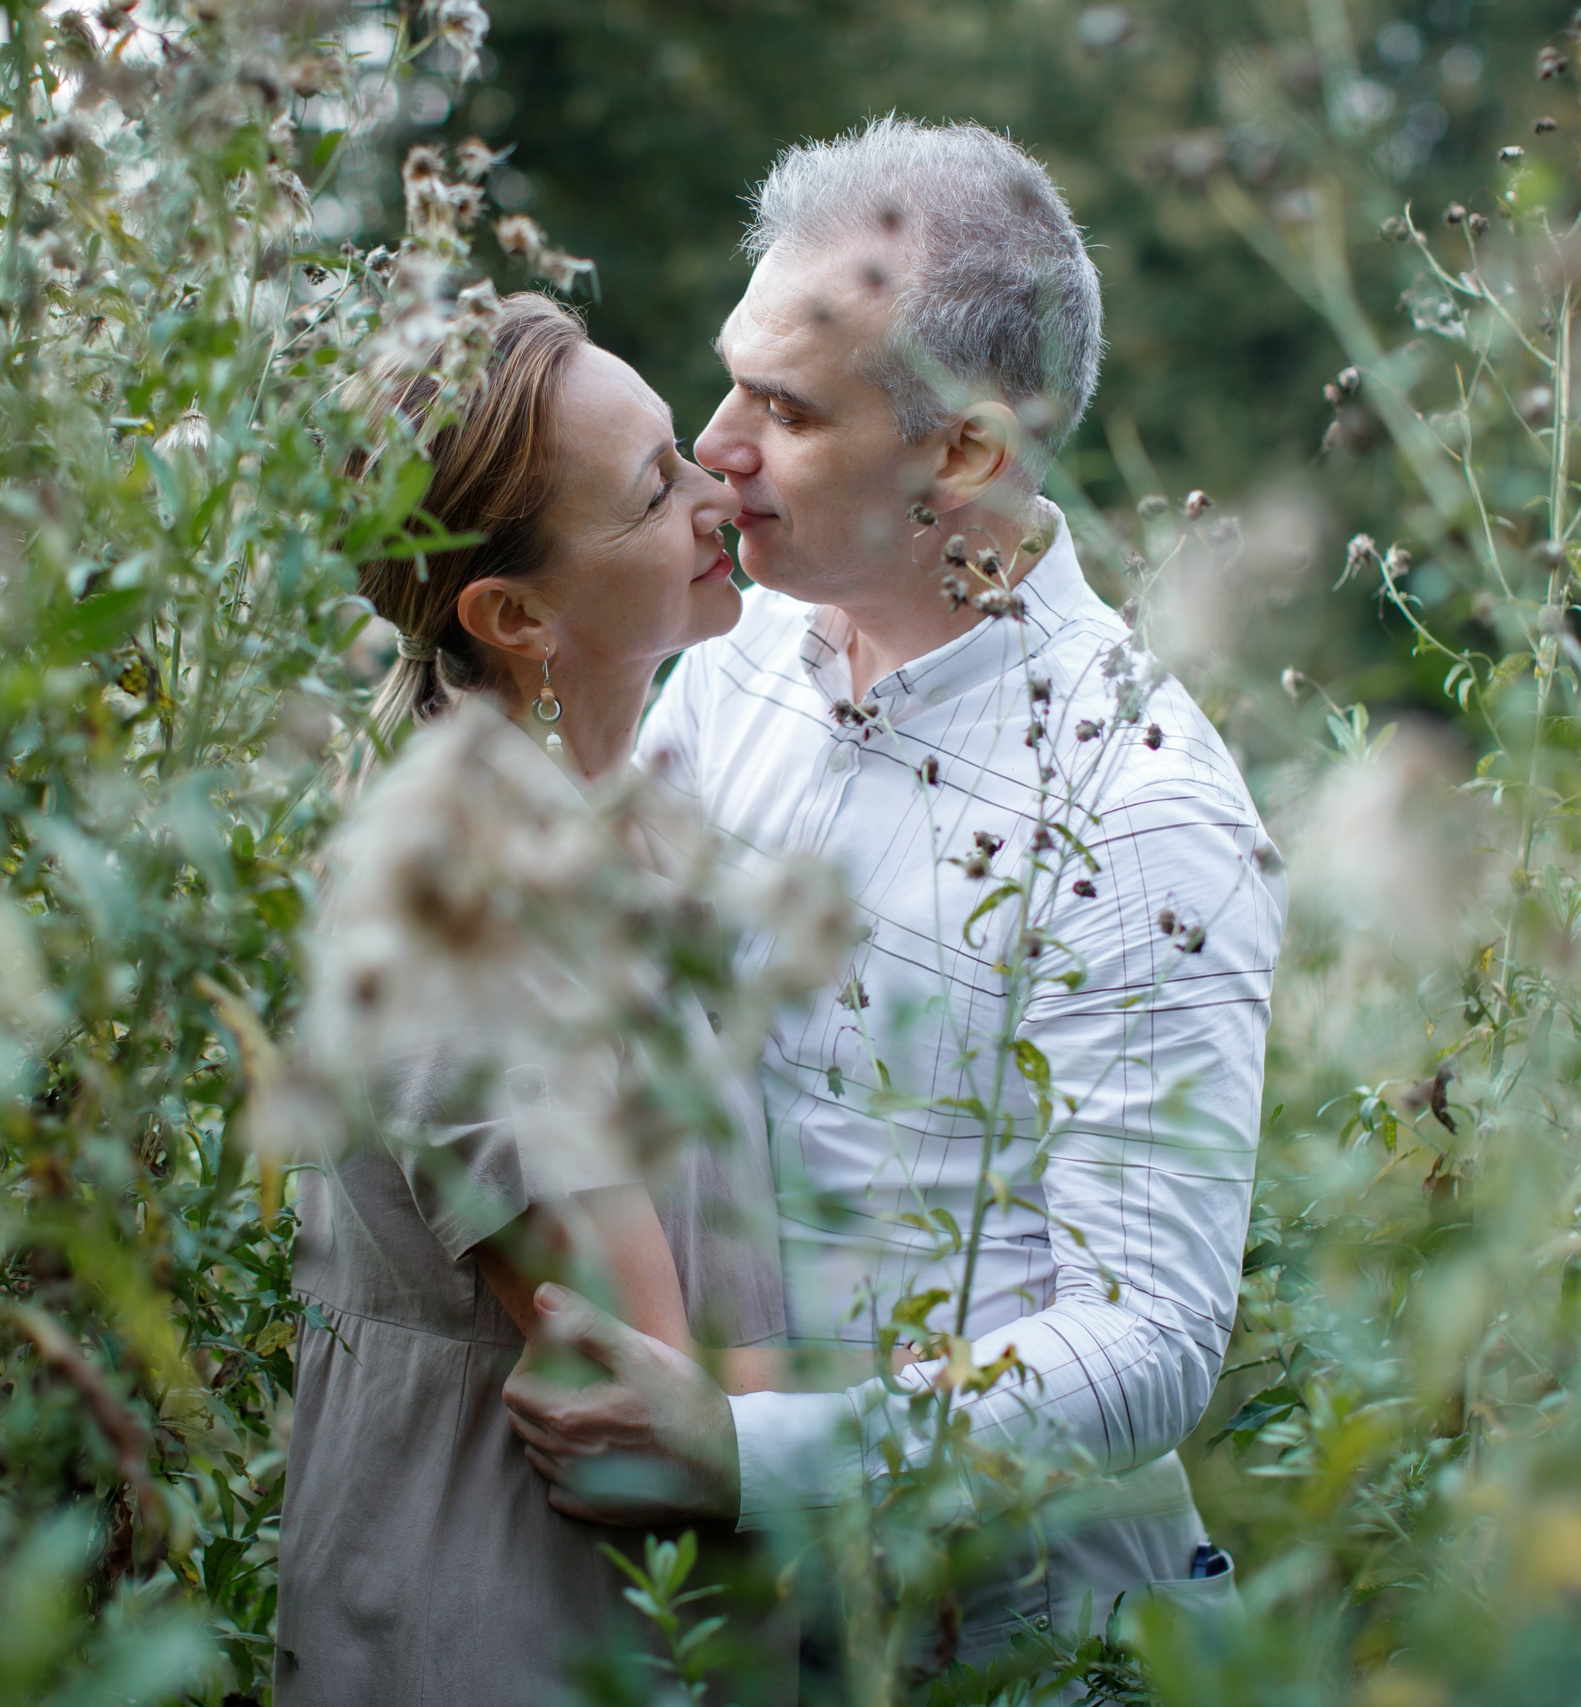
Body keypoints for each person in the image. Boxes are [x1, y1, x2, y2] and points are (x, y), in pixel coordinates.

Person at [500, 118, 1289, 1666]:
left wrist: (744, 1456)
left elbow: (1152, 1342)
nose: (716, 445)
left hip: (1009, 1647)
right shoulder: (726, 666)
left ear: (966, 454)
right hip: (722, 1640)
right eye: (732, 376)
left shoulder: (1136, 806)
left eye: (784, 409)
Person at [271, 293, 787, 1706]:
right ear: (516, 616)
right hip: (509, 1637)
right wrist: (999, 1410)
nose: (713, 492)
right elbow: (639, 1411)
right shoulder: (466, 908)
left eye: (684, 450)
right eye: (651, 490)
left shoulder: (623, 837)